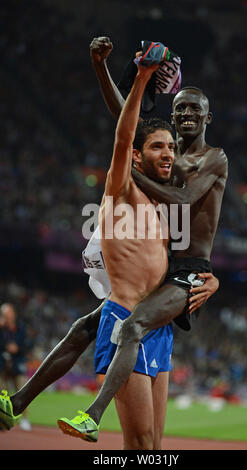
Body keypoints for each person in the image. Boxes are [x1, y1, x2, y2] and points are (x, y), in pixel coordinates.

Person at [0, 40, 218, 448]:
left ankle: (17, 401)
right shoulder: (123, 187)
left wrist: (211, 280)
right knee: (137, 447)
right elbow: (123, 132)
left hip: (159, 325)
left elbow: (186, 255)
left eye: (171, 146)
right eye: (158, 147)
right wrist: (140, 78)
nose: (169, 153)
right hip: (126, 321)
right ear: (137, 157)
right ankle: (79, 413)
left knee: (152, 447)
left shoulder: (160, 202)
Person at [0, 303, 33, 431]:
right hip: (2, 364)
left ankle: (25, 419)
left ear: (13, 314)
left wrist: (18, 348)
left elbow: (28, 344)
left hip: (18, 362)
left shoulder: (21, 327)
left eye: (8, 314)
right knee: (3, 394)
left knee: (22, 392)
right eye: (4, 314)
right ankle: (4, 420)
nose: (6, 317)